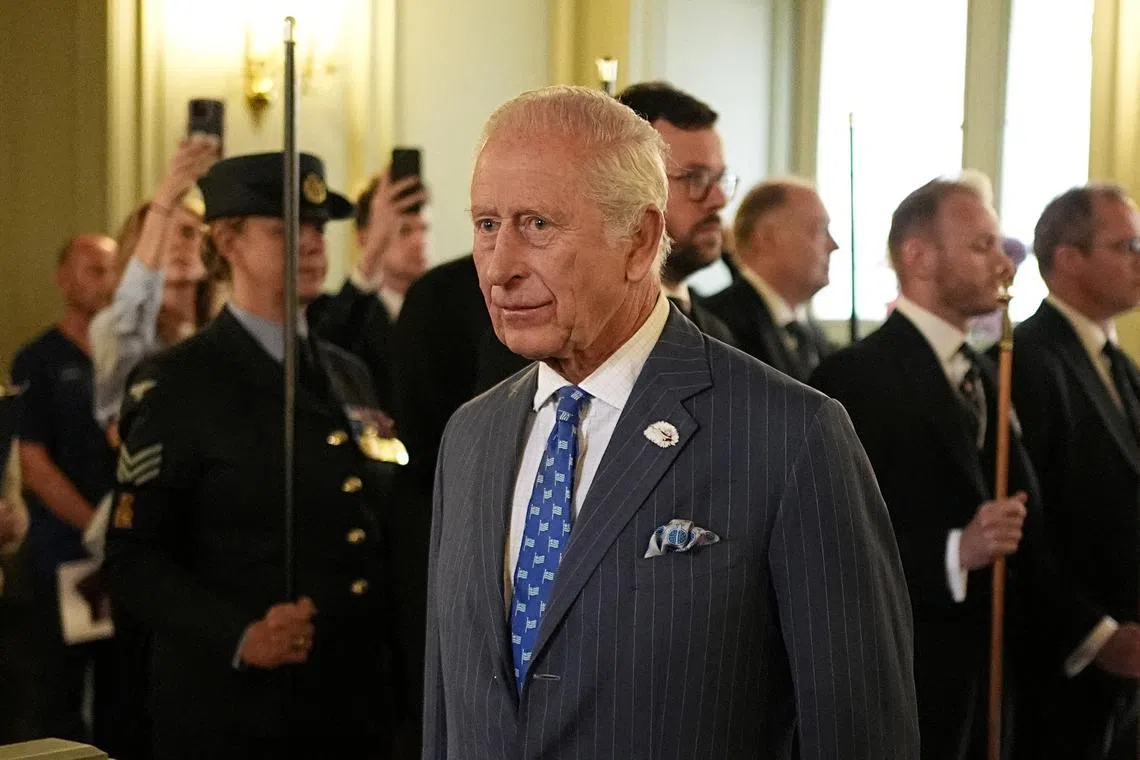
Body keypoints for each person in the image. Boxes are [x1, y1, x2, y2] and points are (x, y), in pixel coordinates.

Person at [423, 85, 918, 759]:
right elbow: (449, 717)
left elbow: (858, 734)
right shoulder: (471, 436)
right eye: (487, 225)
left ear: (640, 239)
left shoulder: (792, 438)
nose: (501, 267)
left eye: (537, 225)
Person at [104, 152, 416, 759]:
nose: (312, 245)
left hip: (353, 706)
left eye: (318, 229)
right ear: (228, 241)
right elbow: (134, 558)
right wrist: (240, 636)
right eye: (285, 230)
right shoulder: (178, 381)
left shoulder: (346, 373)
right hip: (238, 714)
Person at [810, 177, 1128, 760]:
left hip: (995, 682)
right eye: (982, 246)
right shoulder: (854, 379)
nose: (1004, 262)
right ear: (918, 256)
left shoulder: (986, 371)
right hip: (908, 679)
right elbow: (830, 542)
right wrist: (956, 549)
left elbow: (1028, 520)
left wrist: (1092, 632)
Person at [1007, 184, 1140, 759]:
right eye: (1127, 245)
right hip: (1064, 664)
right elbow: (1027, 526)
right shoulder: (1028, 360)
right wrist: (1095, 637)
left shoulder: (1121, 366)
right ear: (1068, 259)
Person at [11, 234, 119, 743]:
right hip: (65, 552)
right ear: (62, 278)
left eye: (112, 269)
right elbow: (34, 463)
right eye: (93, 269)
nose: (107, 281)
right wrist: (97, 525)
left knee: (122, 686)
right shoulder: (38, 360)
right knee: (60, 688)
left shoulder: (126, 354)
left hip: (123, 554)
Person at [616, 81, 737, 344]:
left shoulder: (718, 334)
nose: (719, 199)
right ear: (628, 187)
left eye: (720, 179)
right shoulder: (587, 335)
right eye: (696, 178)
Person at [308, 170, 427, 412]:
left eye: (424, 229)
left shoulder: (443, 310)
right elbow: (326, 352)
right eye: (404, 230)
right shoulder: (340, 311)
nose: (419, 241)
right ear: (365, 237)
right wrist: (372, 257)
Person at [706, 179, 836, 380]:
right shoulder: (716, 326)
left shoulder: (811, 335)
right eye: (820, 230)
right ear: (767, 237)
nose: (833, 245)